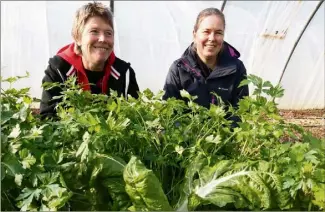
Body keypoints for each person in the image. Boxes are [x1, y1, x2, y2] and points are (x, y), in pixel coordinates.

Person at [40, 2, 139, 118]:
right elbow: (48, 119)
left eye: (108, 33)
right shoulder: (59, 69)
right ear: (77, 37)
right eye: (94, 31)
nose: (102, 39)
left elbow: (135, 118)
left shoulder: (124, 73)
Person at [162, 7, 249, 124]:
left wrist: (224, 137)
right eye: (206, 31)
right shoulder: (179, 69)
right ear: (195, 34)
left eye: (218, 33)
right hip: (186, 139)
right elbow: (169, 112)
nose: (212, 38)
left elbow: (241, 111)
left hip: (225, 138)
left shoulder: (236, 68)